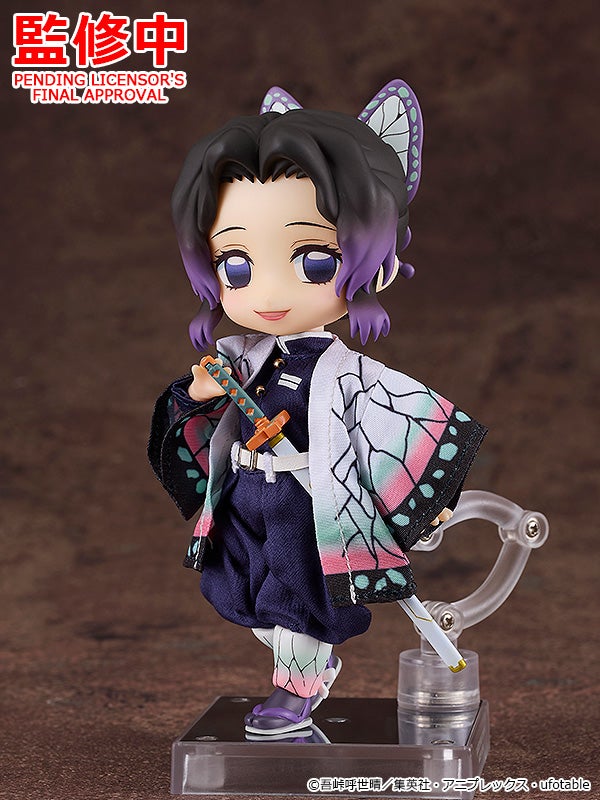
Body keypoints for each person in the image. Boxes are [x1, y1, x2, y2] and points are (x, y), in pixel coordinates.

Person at [149, 80, 486, 735]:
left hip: (310, 505)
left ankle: (296, 686)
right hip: (246, 497)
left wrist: (429, 499)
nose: (268, 292)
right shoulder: (237, 358)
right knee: (244, 594)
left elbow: (408, 422)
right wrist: (197, 395)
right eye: (237, 266)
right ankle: (301, 665)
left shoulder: (350, 373)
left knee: (298, 600)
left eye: (311, 261)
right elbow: (193, 418)